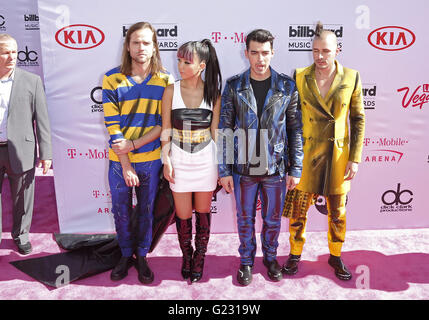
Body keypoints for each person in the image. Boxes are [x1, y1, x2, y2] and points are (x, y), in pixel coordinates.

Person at [218, 29, 303, 286]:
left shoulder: (287, 86)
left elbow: (295, 129)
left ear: (272, 53)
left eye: (265, 53)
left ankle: (270, 258)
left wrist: (295, 167)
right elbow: (224, 129)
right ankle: (246, 261)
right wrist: (224, 170)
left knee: (273, 219)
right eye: (254, 52)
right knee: (245, 219)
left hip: (275, 166)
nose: (260, 58)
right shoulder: (234, 85)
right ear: (246, 53)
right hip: (243, 167)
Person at [282, 22, 365, 281]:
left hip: (338, 157)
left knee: (338, 212)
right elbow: (291, 119)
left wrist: (355, 157)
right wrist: (290, 157)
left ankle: (336, 255)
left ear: (337, 50)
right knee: (298, 212)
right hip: (306, 155)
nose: (320, 56)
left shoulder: (352, 77)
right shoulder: (299, 75)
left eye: (326, 51)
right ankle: (295, 254)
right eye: (316, 51)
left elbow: (358, 119)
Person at [102, 22, 174, 284]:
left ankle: (142, 255)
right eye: (136, 42)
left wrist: (133, 147)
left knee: (146, 209)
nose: (141, 47)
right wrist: (126, 164)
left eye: (146, 42)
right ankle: (124, 254)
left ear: (154, 46)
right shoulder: (111, 79)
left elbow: (162, 125)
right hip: (119, 162)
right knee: (120, 210)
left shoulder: (165, 80)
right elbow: (113, 127)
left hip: (150, 160)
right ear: (128, 46)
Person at [161, 39, 221, 283]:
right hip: (179, 161)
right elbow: (166, 129)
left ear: (202, 65)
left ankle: (200, 260)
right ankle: (187, 256)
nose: (181, 66)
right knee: (183, 215)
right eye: (179, 60)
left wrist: (222, 167)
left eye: (187, 61)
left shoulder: (214, 94)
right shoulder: (170, 90)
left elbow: (216, 133)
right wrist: (166, 160)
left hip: (206, 161)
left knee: (204, 213)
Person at [0, 34, 52, 255]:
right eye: (5, 52)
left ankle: (21, 236)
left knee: (23, 197)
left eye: (14, 51)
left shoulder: (32, 82)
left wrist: (46, 153)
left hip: (22, 149)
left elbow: (42, 120)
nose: (12, 56)